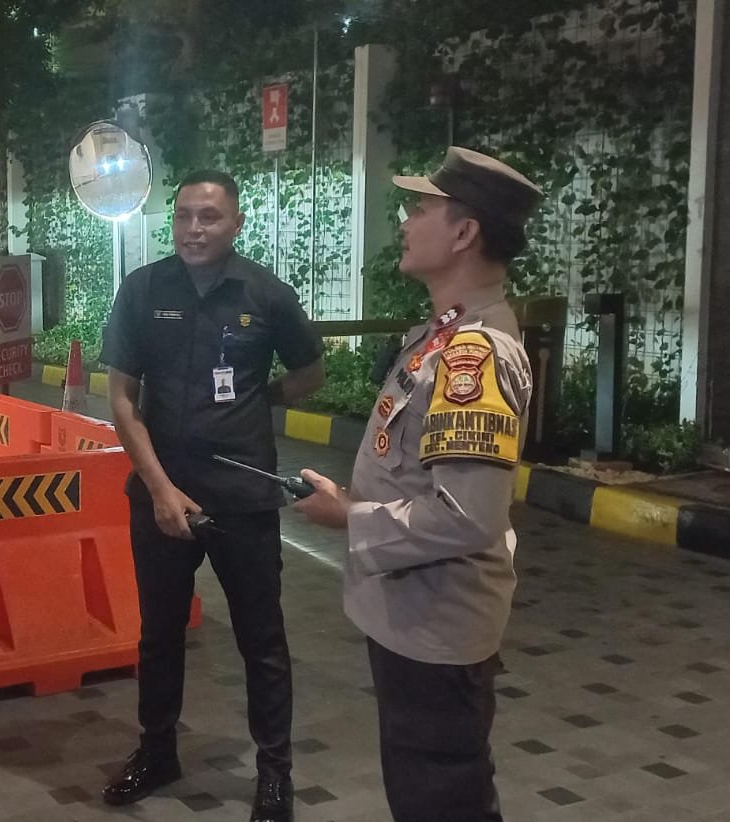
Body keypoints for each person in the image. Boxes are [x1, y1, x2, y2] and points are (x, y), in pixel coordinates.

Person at [294, 146, 540, 822]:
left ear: (464, 233)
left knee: (441, 800)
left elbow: (466, 517)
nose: (405, 221)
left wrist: (349, 517)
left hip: (437, 625)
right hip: (416, 614)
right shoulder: (445, 333)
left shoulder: (473, 355)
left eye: (421, 208)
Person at [99, 169, 325, 822]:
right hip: (160, 491)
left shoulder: (266, 293)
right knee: (159, 633)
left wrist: (258, 398)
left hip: (243, 494)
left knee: (262, 639)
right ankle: (157, 751)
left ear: (236, 224)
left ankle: (274, 774)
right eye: (183, 217)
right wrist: (160, 489)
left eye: (209, 217)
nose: (193, 229)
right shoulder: (144, 290)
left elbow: (310, 372)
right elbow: (122, 399)